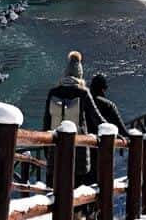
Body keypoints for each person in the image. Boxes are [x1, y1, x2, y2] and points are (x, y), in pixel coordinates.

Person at [42, 51, 106, 185]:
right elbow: (96, 117)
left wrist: (46, 147)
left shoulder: (53, 92)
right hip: (79, 147)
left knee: (56, 185)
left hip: (56, 145)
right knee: (76, 187)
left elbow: (46, 121)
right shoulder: (82, 92)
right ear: (80, 74)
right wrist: (112, 132)